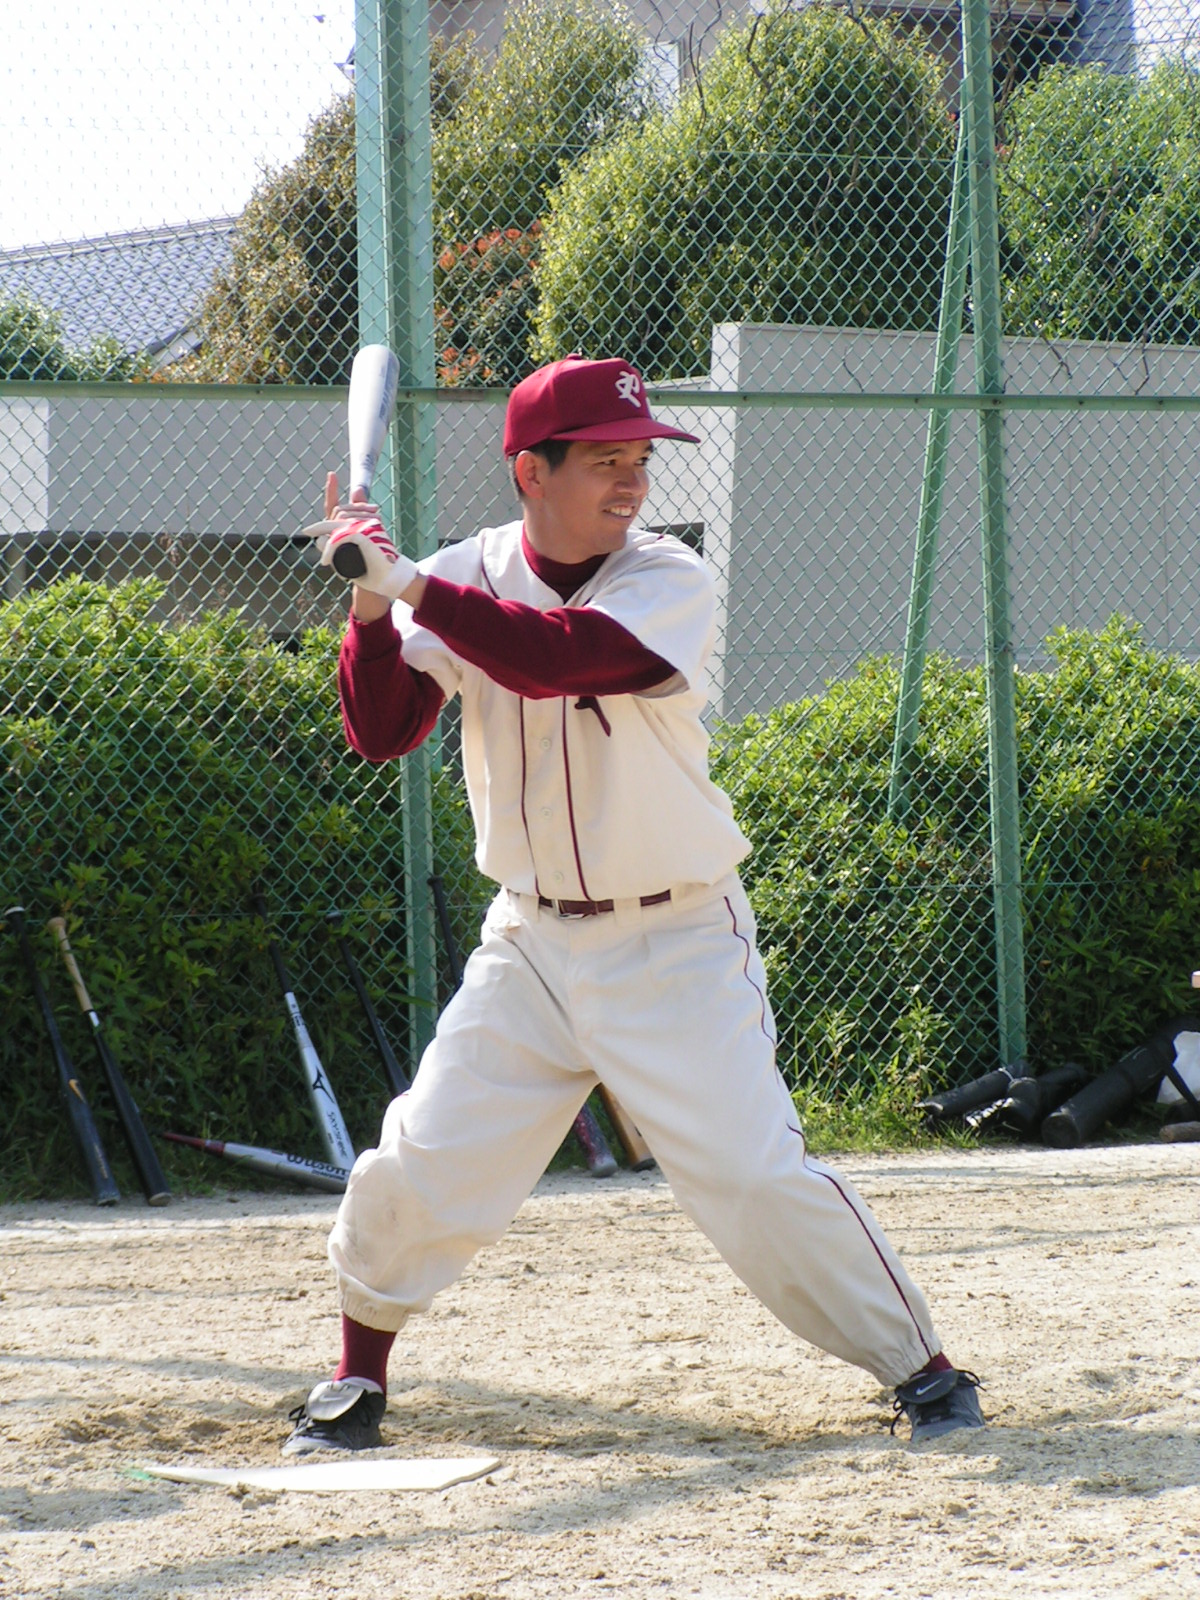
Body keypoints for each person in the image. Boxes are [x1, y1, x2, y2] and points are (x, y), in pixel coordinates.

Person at [284, 355, 985, 1454]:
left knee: (752, 1175)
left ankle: (925, 1373)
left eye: (640, 459)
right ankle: (355, 1378)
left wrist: (408, 582)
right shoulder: (464, 572)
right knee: (421, 1160)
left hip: (674, 936)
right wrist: (372, 608)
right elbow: (382, 731)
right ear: (531, 470)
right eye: (605, 460)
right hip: (530, 942)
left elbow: (563, 659)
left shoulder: (666, 576)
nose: (633, 481)